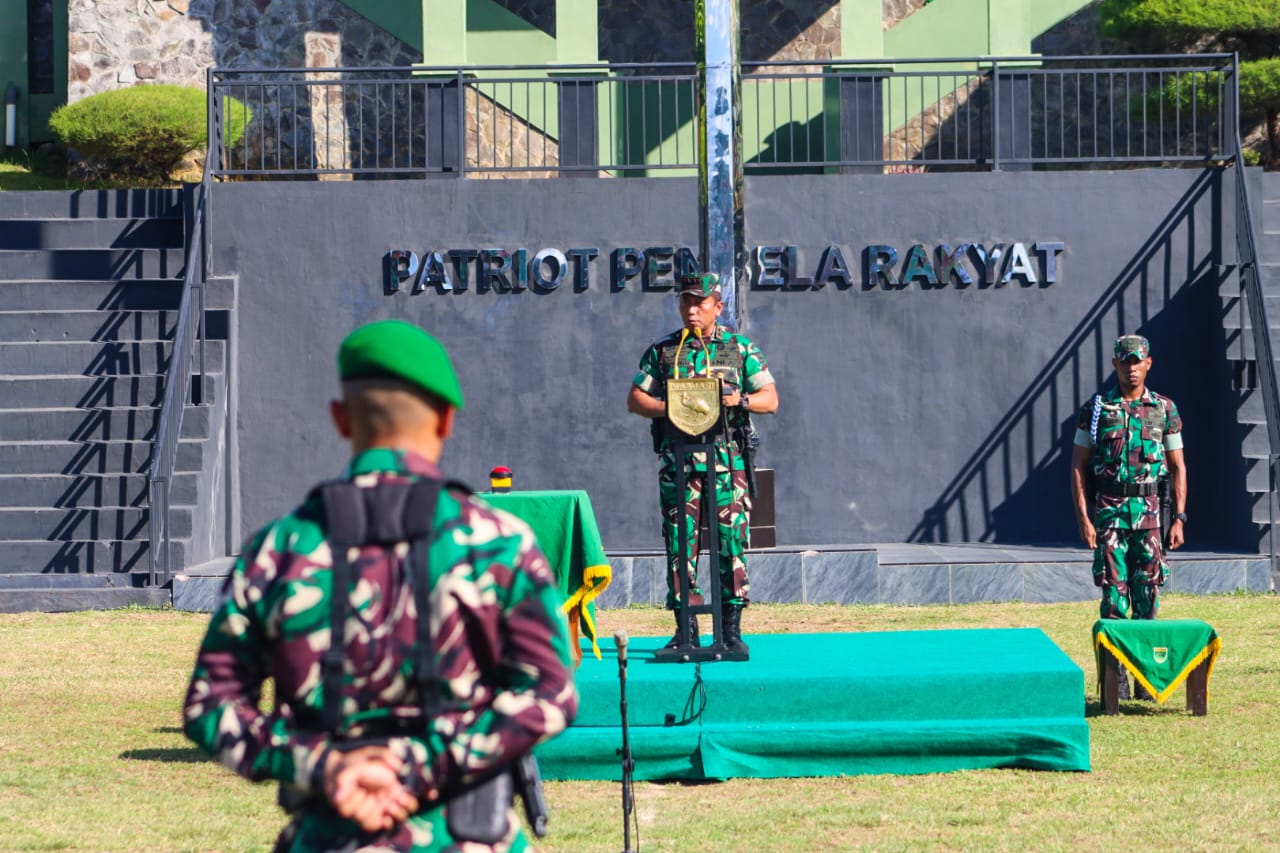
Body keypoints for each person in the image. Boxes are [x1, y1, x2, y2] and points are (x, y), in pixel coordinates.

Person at [182, 319, 578, 852]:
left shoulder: (279, 549)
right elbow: (550, 692)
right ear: (446, 419)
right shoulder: (500, 544)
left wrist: (325, 767)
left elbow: (212, 704)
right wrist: (420, 767)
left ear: (341, 419)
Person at [626, 272, 778, 654]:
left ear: (718, 307)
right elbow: (635, 399)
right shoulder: (663, 351)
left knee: (731, 545)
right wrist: (671, 408)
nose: (692, 310)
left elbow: (770, 398)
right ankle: (686, 632)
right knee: (681, 546)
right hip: (679, 463)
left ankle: (730, 631)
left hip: (727, 462)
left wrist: (738, 401)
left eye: (700, 303)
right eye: (686, 302)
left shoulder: (738, 348)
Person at [1070, 334, 1187, 695]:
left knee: (1148, 598)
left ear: (1148, 363)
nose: (1131, 368)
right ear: (1114, 364)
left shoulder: (1164, 409)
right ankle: (1114, 686)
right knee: (1113, 601)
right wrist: (1084, 518)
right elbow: (1078, 466)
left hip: (1150, 519)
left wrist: (1180, 517)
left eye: (1137, 361)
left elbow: (1178, 466)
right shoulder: (1096, 410)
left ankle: (1145, 681)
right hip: (1109, 518)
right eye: (1125, 361)